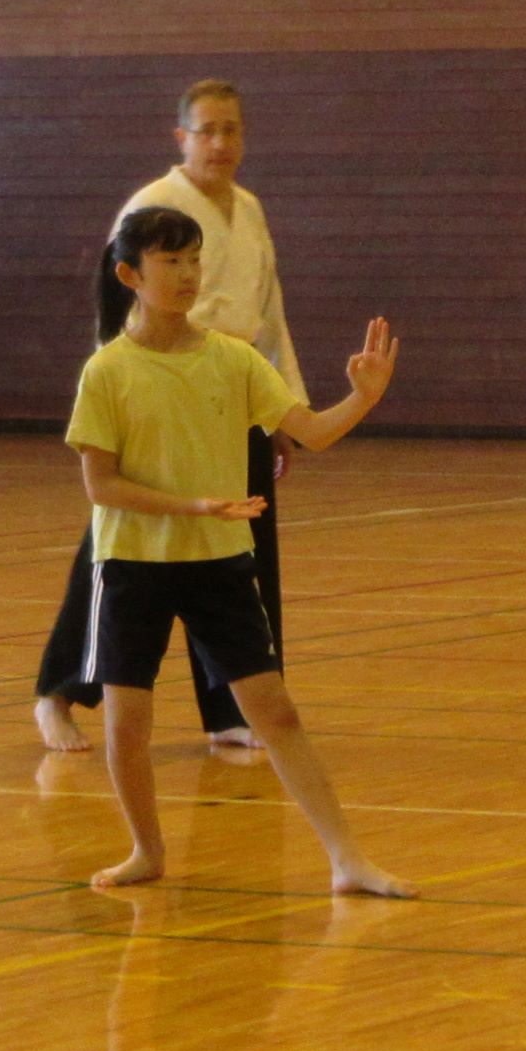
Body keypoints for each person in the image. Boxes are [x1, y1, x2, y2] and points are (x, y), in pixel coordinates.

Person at [68, 204, 411, 896]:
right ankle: (146, 850)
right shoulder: (107, 371)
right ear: (131, 273)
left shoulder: (234, 358)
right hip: (132, 566)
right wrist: (189, 505)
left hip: (219, 563)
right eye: (171, 262)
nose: (188, 274)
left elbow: (311, 432)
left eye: (194, 259)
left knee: (275, 712)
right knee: (127, 722)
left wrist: (361, 399)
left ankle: (347, 860)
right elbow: (102, 486)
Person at [35, 80, 301, 758]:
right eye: (206, 130)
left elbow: (268, 314)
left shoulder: (249, 209)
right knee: (120, 550)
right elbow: (113, 308)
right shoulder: (154, 206)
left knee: (238, 553)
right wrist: (125, 406)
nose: (220, 143)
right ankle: (59, 691)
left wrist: (280, 411)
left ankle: (231, 711)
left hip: (231, 392)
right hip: (159, 398)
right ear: (181, 137)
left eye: (231, 130)